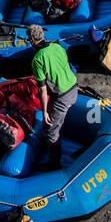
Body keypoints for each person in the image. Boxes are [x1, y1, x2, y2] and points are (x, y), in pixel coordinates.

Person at [27, 26, 78, 170]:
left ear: (31, 41)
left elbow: (42, 90)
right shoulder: (57, 47)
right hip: (74, 88)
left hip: (62, 97)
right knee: (56, 121)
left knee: (50, 131)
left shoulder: (37, 59)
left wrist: (44, 112)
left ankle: (54, 164)